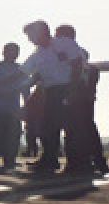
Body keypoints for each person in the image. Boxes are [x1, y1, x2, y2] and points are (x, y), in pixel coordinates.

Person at [54, 24, 109, 174]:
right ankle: (96, 161)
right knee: (85, 128)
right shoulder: (78, 51)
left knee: (76, 129)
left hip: (76, 92)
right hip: (82, 94)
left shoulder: (72, 51)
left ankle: (80, 162)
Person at [20, 20, 74, 172]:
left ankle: (77, 161)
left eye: (31, 35)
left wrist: (73, 90)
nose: (29, 39)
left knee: (72, 127)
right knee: (48, 127)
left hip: (69, 88)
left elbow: (78, 64)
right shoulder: (37, 54)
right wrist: (2, 84)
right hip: (51, 92)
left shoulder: (64, 44)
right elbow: (23, 72)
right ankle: (49, 159)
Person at [0, 42, 27, 170]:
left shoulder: (21, 69)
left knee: (13, 134)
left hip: (13, 107)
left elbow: (25, 88)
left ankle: (9, 160)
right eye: (10, 51)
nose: (13, 54)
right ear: (3, 52)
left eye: (15, 51)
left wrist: (26, 105)